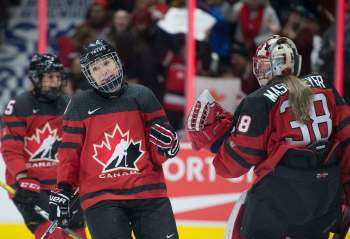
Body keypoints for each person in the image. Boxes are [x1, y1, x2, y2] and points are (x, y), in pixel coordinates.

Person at [187, 35, 350, 239]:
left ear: (269, 67)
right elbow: (346, 143)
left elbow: (234, 164)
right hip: (324, 197)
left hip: (277, 199)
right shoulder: (326, 87)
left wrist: (216, 143)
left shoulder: (259, 101)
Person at [49, 39, 179, 239]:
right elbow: (69, 153)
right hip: (101, 198)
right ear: (89, 75)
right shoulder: (80, 104)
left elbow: (158, 152)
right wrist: (64, 189)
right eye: (96, 68)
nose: (104, 71)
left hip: (148, 193)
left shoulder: (143, 96)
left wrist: (167, 148)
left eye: (106, 63)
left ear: (117, 62)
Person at [1, 53, 86, 238]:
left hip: (61, 186)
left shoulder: (68, 104)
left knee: (78, 231)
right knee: (53, 234)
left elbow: (76, 147)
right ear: (36, 78)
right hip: (29, 186)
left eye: (57, 77)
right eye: (49, 77)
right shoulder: (19, 105)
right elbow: (11, 147)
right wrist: (22, 177)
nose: (55, 82)